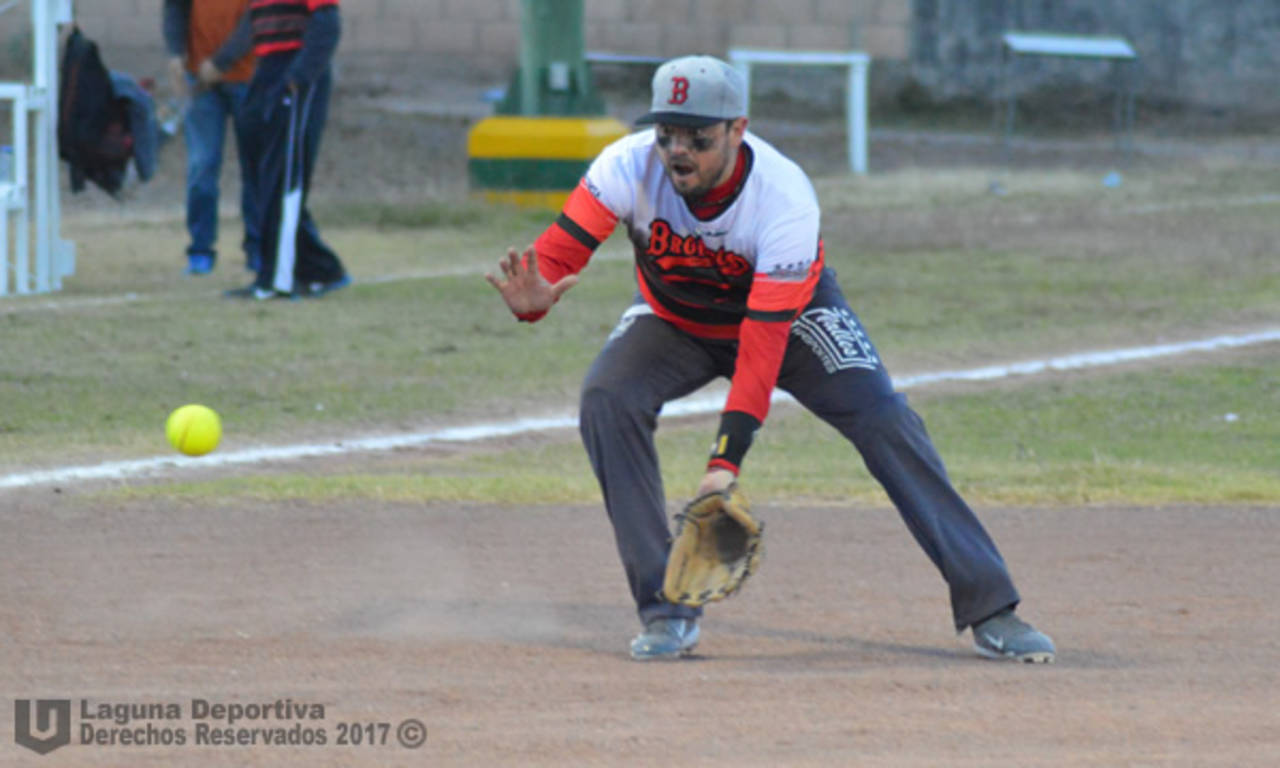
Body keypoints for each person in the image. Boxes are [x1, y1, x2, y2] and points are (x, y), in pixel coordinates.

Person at [486, 55, 1056, 663]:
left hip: (791, 320)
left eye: (698, 138)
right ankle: (666, 608)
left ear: (738, 129)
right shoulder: (625, 167)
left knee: (884, 417)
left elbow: (761, 348)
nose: (678, 151)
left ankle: (992, 607)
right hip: (675, 319)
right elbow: (554, 259)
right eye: (667, 134)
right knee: (607, 399)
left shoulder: (783, 198)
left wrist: (723, 464)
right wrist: (534, 301)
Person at [224, 0, 349, 300]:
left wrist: (298, 77)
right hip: (265, 69)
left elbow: (327, 24)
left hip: (295, 70)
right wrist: (221, 61)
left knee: (283, 180)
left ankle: (276, 281)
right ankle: (321, 268)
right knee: (262, 177)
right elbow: (251, 26)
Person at [163, 0, 260, 276]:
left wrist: (221, 61)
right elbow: (175, 7)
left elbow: (260, 14)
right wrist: (175, 53)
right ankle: (200, 250)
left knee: (255, 167)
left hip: (249, 77)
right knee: (201, 166)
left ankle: (258, 248)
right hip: (201, 81)